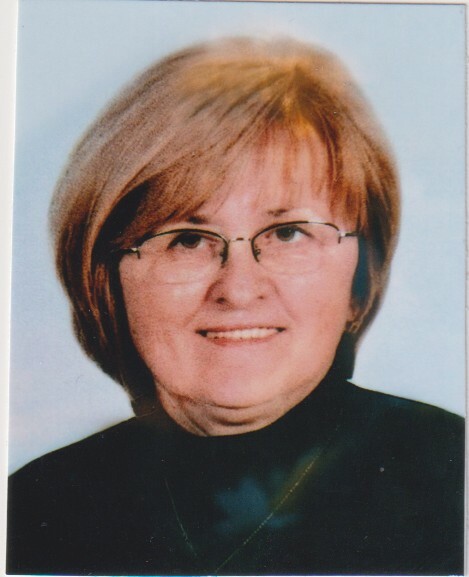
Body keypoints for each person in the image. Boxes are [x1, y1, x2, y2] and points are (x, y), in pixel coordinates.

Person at [7, 37, 464, 576]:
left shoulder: (452, 478)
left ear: (360, 281)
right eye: (187, 239)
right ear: (106, 282)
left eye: (288, 233)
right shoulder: (31, 511)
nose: (239, 289)